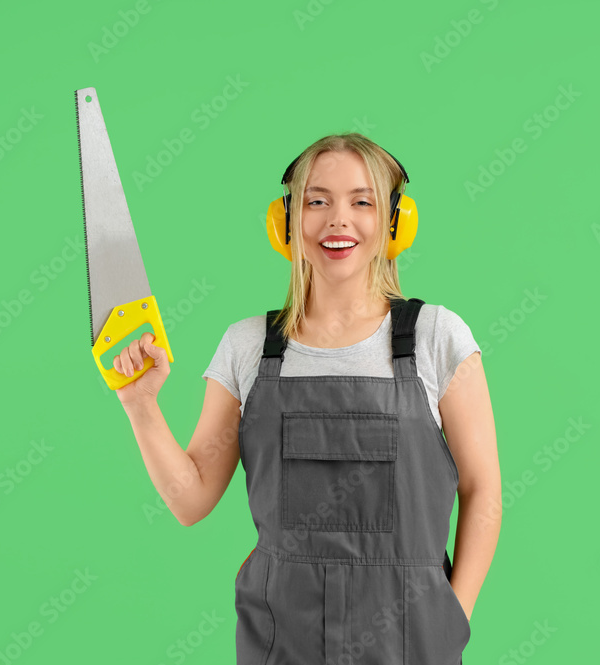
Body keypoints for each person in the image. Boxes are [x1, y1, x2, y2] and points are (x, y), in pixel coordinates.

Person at [112, 133, 500, 664]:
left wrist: (452, 616)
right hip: (280, 640)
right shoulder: (248, 346)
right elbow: (192, 498)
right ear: (286, 222)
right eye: (317, 201)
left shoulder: (436, 338)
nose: (337, 220)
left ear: (394, 222)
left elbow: (484, 492)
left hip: (411, 640)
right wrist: (141, 405)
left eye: (362, 201)